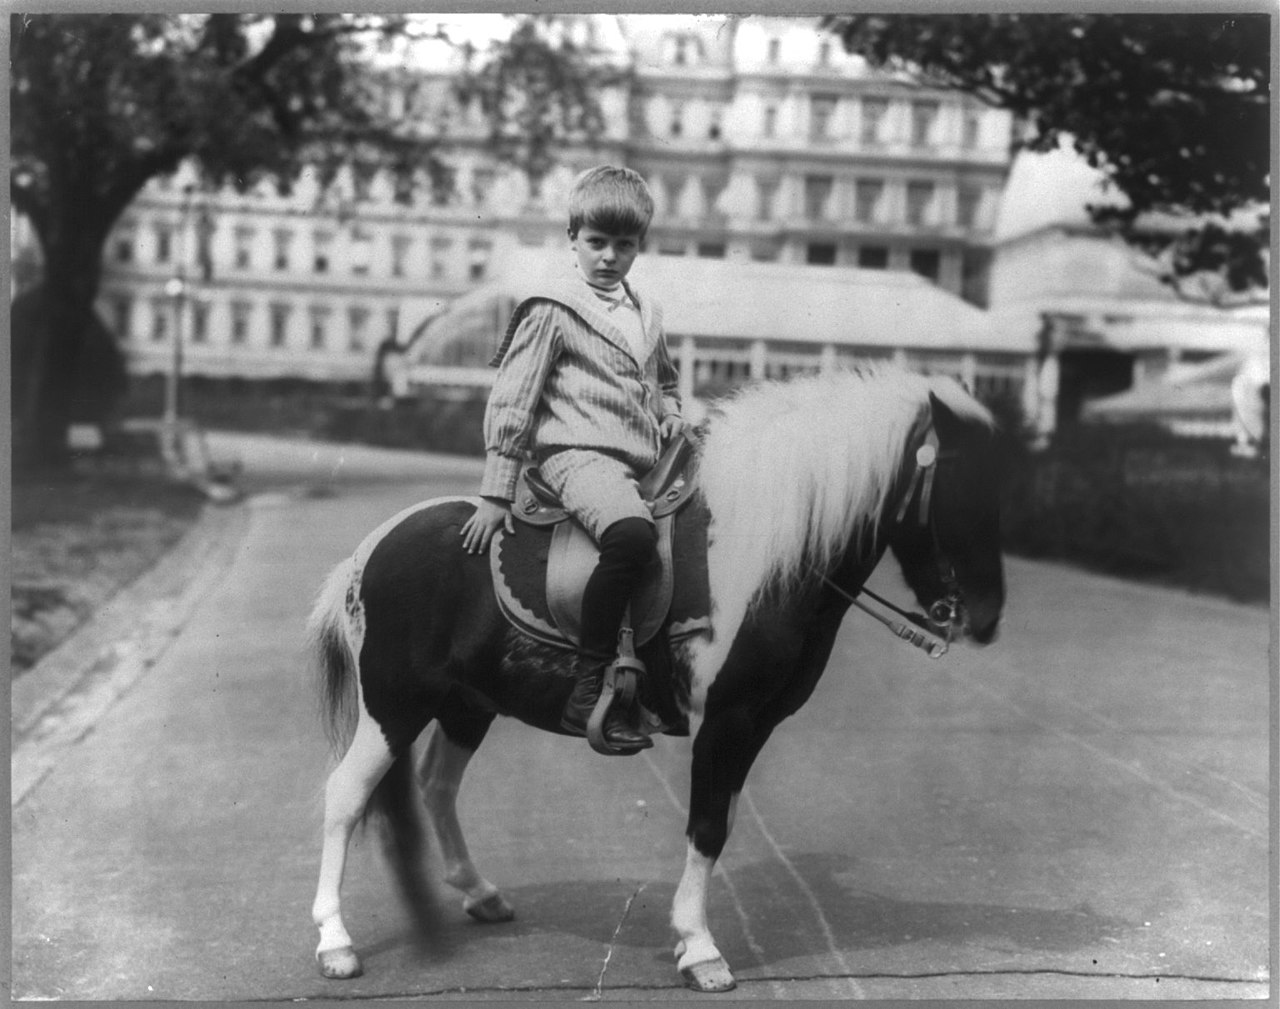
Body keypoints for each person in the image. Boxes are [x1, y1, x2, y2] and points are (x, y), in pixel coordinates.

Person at [459, 165, 685, 753]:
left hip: (645, 460)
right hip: (578, 455)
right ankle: (590, 685)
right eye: (596, 243)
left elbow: (665, 379)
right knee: (633, 537)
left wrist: (670, 410)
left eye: (624, 245)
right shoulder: (552, 307)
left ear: (640, 246)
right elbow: (514, 397)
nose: (609, 257)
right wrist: (495, 490)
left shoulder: (646, 311)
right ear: (572, 238)